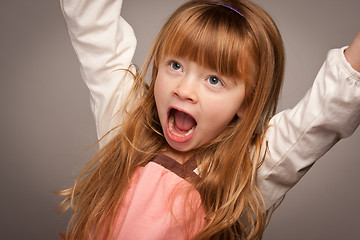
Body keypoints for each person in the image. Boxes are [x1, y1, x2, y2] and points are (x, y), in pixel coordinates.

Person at [58, 0, 360, 239]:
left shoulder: (246, 170)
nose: (184, 90)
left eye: (214, 80)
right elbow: (93, 31)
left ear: (247, 102)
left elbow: (320, 117)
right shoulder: (126, 122)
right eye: (175, 65)